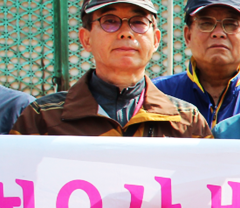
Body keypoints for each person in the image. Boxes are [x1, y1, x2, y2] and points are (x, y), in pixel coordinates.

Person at [11, 0, 211, 138]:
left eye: (138, 22)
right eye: (109, 21)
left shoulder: (186, 121)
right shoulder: (44, 117)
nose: (126, 33)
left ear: (156, 40)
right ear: (86, 39)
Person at [153, 0, 240, 127]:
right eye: (206, 24)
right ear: (188, 36)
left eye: (231, 24)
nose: (218, 33)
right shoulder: (156, 96)